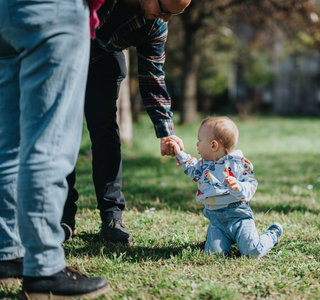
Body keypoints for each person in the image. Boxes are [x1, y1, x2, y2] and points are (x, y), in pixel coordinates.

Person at [0, 0, 110, 298]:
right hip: (52, 11)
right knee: (49, 143)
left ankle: (8, 256)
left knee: (9, 144)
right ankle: (44, 269)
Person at [60, 0, 190, 245]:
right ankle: (63, 217)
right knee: (63, 132)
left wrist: (165, 131)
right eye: (163, 10)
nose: (164, 18)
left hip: (103, 61)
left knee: (105, 133)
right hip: (66, 51)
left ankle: (112, 218)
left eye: (172, 15)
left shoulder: (156, 26)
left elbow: (153, 76)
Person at [167, 117, 283, 257]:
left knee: (252, 252)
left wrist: (239, 187)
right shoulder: (203, 166)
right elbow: (191, 167)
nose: (196, 144)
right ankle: (226, 239)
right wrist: (179, 153)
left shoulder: (238, 163)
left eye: (199, 140)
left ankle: (272, 234)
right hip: (217, 221)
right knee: (213, 254)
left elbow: (251, 184)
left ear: (214, 145)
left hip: (239, 217)